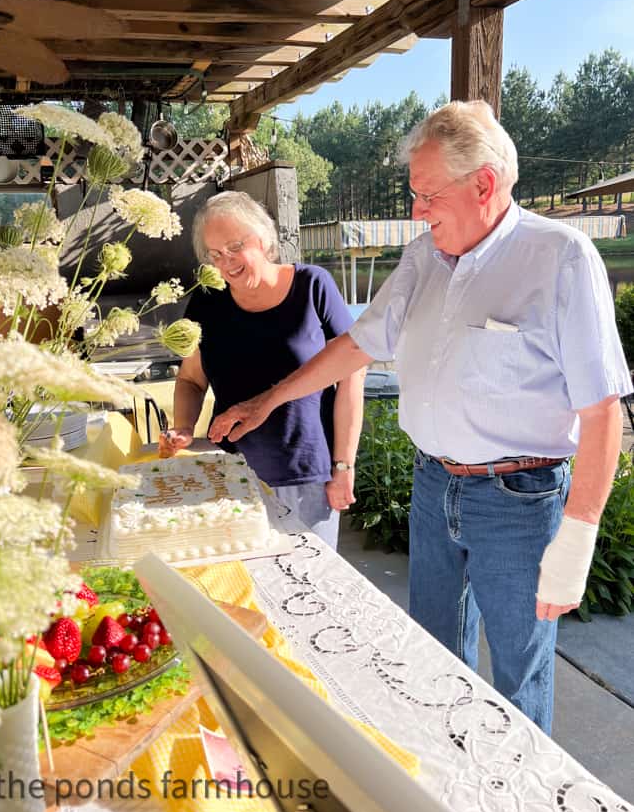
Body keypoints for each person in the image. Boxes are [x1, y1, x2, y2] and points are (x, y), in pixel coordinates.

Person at [208, 101, 633, 734]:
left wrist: (577, 539)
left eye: (427, 194)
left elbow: (601, 412)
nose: (416, 210)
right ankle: (448, 787)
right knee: (432, 657)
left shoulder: (560, 257)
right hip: (434, 485)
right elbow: (356, 347)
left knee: (519, 670)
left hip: (518, 500)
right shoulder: (423, 256)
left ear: (484, 184)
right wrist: (264, 401)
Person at [158, 191, 365, 550]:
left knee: (310, 586)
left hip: (306, 474)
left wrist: (344, 467)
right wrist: (183, 427)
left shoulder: (312, 286)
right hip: (229, 476)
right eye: (215, 254)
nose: (227, 263)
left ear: (264, 238)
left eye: (235, 247)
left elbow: (353, 375)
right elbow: (191, 379)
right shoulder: (207, 300)